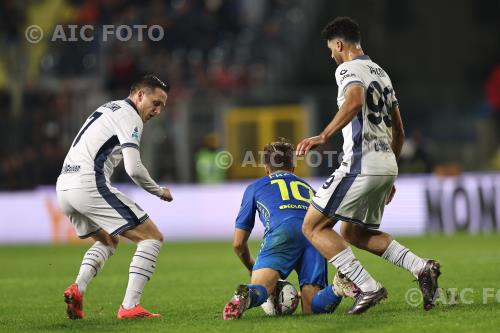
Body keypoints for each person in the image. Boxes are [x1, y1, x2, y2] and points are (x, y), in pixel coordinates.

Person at [296, 17, 441, 314]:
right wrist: (391, 172)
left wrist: (323, 135)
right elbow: (398, 131)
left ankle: (367, 286)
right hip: (385, 163)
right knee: (352, 233)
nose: (331, 55)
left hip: (361, 164)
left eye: (331, 49)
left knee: (311, 226)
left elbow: (354, 99)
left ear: (339, 44)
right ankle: (421, 267)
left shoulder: (347, 69)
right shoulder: (382, 73)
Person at [56, 75, 173, 320]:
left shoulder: (108, 107)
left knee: (109, 240)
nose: (158, 110)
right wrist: (159, 191)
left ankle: (78, 289)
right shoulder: (130, 116)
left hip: (64, 186)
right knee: (152, 237)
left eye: (162, 105)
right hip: (89, 183)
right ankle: (130, 306)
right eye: (155, 102)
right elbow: (134, 168)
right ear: (139, 95)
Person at [223, 138, 343, 320]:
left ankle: (247, 295)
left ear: (266, 168)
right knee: (313, 309)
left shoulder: (255, 187)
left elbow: (238, 243)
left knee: (261, 288)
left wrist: (252, 268)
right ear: (293, 169)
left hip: (282, 231)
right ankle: (337, 288)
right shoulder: (308, 187)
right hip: (313, 235)